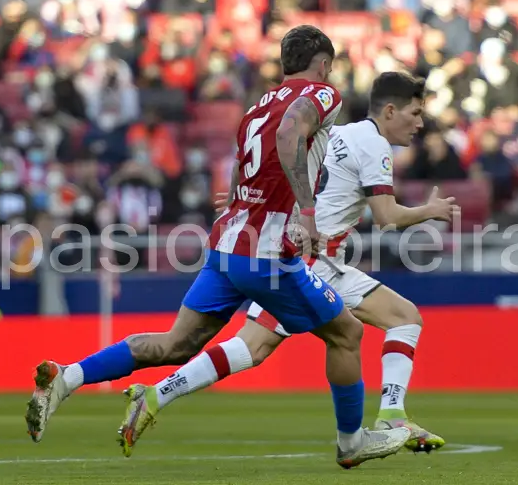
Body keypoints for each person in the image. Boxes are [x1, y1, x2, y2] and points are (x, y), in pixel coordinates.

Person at [24, 25, 411, 469]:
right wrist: (307, 209)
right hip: (266, 254)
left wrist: (239, 196)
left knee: (175, 344)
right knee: (347, 334)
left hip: (228, 246)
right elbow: (290, 133)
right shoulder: (324, 95)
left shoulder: (255, 108)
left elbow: (243, 160)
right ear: (323, 64)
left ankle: (67, 377)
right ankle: (351, 443)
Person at [126, 71, 457, 454]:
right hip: (310, 261)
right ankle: (155, 395)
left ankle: (393, 415)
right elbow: (387, 218)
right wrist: (430, 210)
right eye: (414, 113)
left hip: (321, 259)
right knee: (252, 348)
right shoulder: (375, 145)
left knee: (403, 317)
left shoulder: (341, 133)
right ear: (389, 110)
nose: (419, 123)